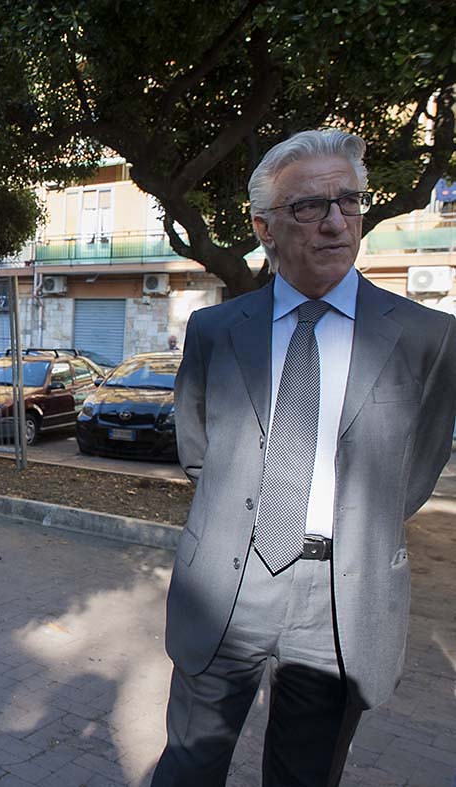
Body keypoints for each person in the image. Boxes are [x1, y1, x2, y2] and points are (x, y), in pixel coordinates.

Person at [153, 129, 456, 786]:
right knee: (188, 763)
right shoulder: (214, 330)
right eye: (308, 207)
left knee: (304, 774)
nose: (334, 222)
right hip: (227, 582)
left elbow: (414, 469)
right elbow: (199, 450)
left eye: (348, 202)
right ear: (263, 226)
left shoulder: (425, 337)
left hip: (341, 597)